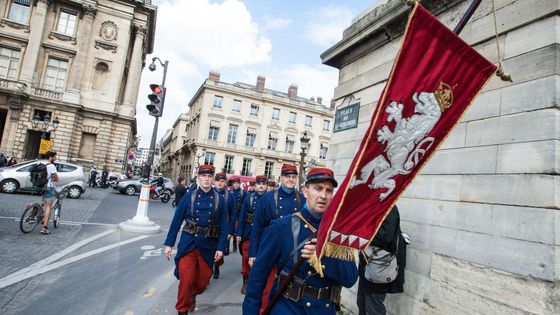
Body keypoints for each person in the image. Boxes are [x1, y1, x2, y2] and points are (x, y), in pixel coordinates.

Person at [243, 167, 358, 314]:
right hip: (289, 308)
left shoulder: (338, 233)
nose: (323, 195)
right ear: (305, 191)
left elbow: (350, 279)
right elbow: (257, 279)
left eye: (329, 191)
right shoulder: (280, 228)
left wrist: (322, 258)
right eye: (318, 188)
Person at [163, 165, 229, 315]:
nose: (206, 179)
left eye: (209, 176)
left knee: (202, 283)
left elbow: (225, 225)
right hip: (189, 243)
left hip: (208, 246)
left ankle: (193, 294)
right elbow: (177, 221)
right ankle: (182, 310)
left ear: (213, 179)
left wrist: (221, 247)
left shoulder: (220, 200)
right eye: (203, 176)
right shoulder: (189, 196)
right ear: (198, 177)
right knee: (185, 280)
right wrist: (169, 244)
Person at [248, 164, 305, 313]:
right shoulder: (267, 198)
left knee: (287, 291)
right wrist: (253, 253)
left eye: (293, 177)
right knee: (265, 289)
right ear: (281, 178)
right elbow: (257, 227)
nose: (291, 180)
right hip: (270, 250)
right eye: (287, 177)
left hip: (292, 252)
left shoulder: (302, 199)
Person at [357, 206, 406, 315]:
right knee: (362, 303)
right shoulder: (373, 204)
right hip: (368, 264)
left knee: (373, 308)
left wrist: (361, 229)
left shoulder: (388, 205)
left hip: (379, 265)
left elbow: (385, 236)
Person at [236, 175, 267, 294]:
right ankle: (246, 280)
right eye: (259, 184)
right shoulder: (249, 198)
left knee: (261, 258)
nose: (261, 186)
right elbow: (242, 216)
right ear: (255, 185)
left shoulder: (270, 199)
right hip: (249, 231)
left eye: (263, 184)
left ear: (266, 185)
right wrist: (239, 233)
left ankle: (258, 280)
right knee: (246, 257)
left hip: (263, 233)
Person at [212, 172, 236, 279]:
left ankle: (216, 266)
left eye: (222, 181)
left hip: (223, 229)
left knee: (220, 250)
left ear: (225, 183)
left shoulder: (230, 196)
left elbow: (233, 214)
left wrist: (230, 231)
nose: (220, 183)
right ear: (214, 181)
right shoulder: (209, 192)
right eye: (218, 181)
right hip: (210, 228)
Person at [41, 151, 58, 235]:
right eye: (55, 157)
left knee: (44, 202)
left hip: (40, 186)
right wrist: (53, 179)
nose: (56, 158)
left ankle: (42, 217)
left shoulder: (41, 163)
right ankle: (45, 227)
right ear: (51, 157)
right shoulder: (51, 166)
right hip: (48, 187)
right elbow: (56, 178)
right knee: (48, 206)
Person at [229, 176, 245, 253]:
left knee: (236, 229)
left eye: (237, 183)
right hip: (231, 214)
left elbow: (245, 204)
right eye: (234, 183)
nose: (236, 184)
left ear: (239, 184)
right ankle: (226, 246)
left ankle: (235, 243)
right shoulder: (229, 192)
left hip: (239, 214)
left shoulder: (243, 193)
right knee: (229, 230)